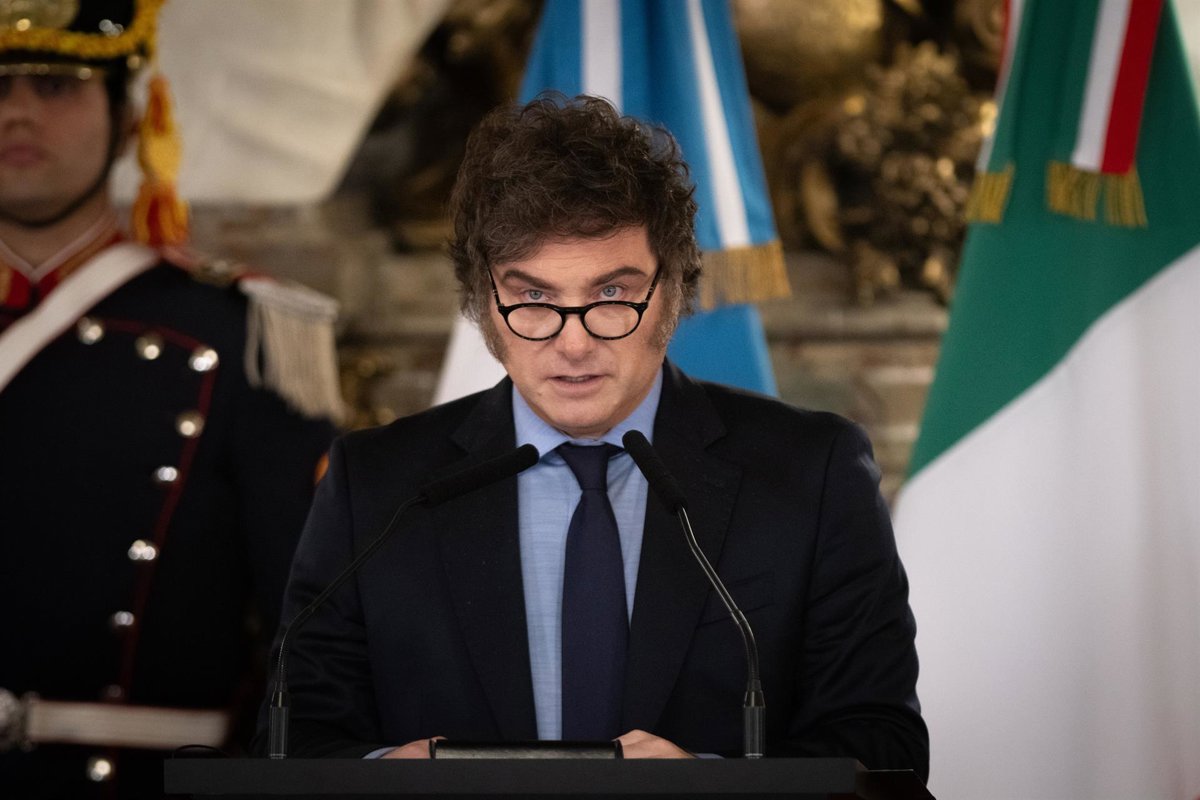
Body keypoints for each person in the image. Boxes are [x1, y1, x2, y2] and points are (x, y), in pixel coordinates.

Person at [268, 94, 928, 774]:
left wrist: (710, 787)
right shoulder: (376, 486)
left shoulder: (813, 473)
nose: (574, 343)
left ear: (672, 292)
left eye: (612, 295)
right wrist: (386, 773)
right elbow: (294, 738)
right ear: (483, 305)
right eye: (533, 298)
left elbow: (883, 745)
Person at [0, 2, 342, 797]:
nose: (18, 112)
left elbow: (312, 630)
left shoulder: (243, 331)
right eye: (0, 88)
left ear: (131, 119)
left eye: (57, 85)